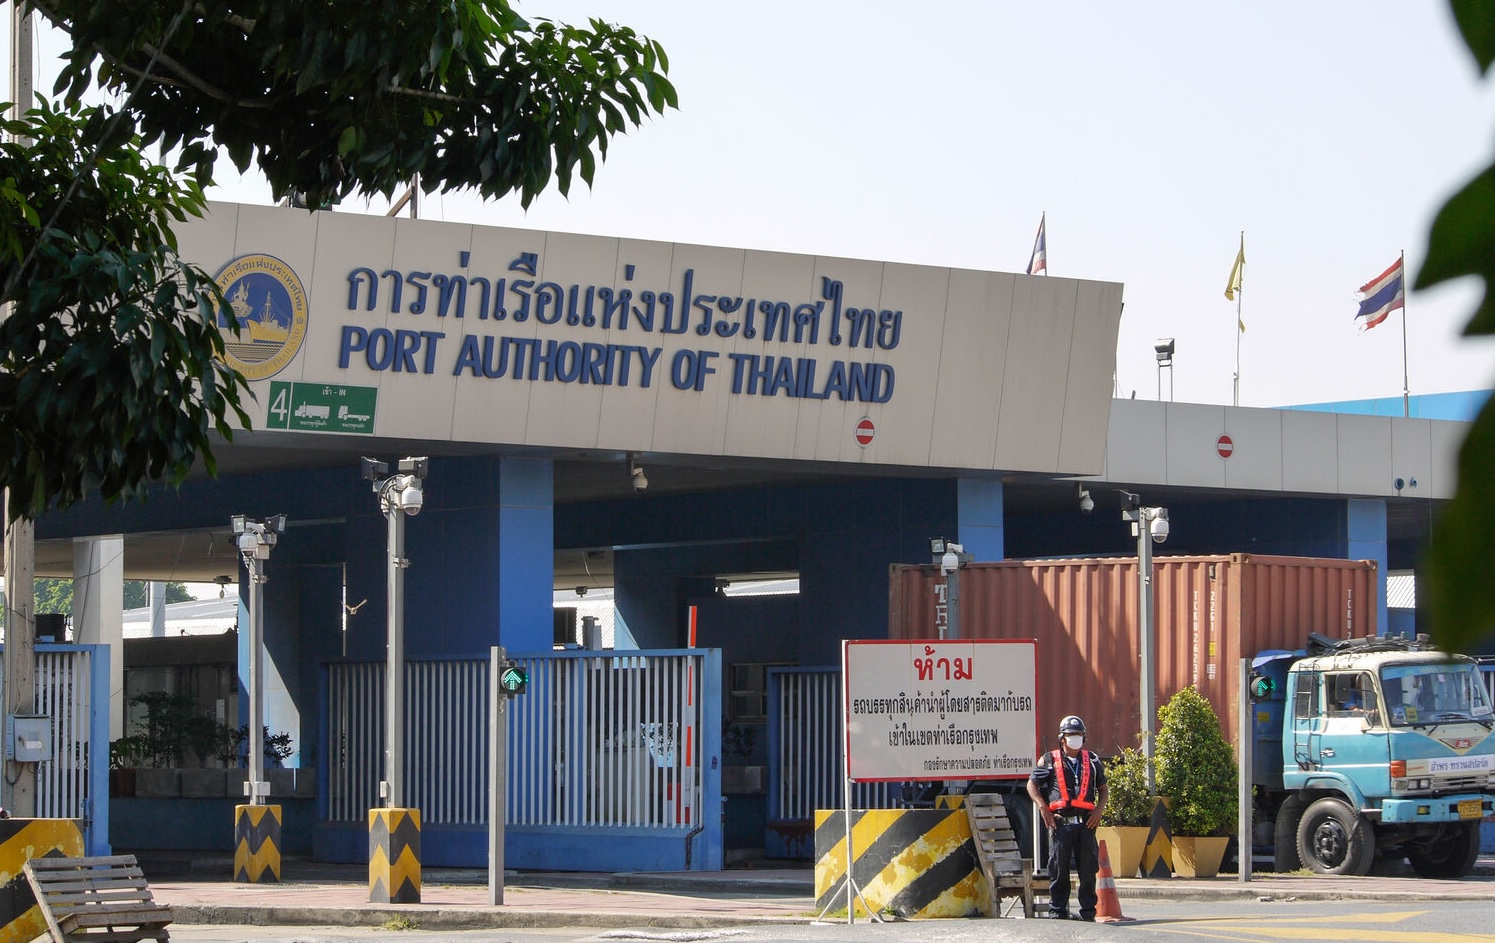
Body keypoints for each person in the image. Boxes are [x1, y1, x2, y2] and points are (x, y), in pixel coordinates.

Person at [1026, 715, 1108, 921]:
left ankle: (1088, 913)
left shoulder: (1093, 760)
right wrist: (1043, 808)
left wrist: (1099, 810)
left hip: (1086, 824)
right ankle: (1058, 913)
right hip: (1060, 824)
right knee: (1059, 870)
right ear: (1062, 738)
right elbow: (1031, 785)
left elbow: (1103, 789)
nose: (1075, 738)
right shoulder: (1049, 760)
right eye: (1071, 735)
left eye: (1079, 734)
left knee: (1088, 870)